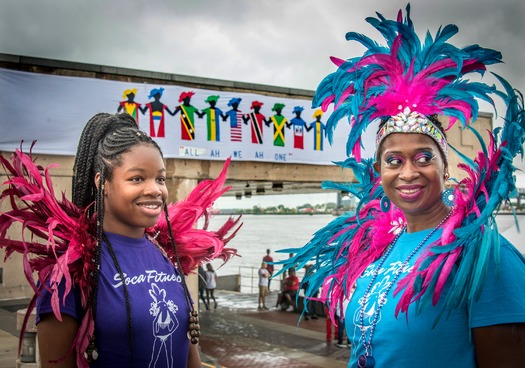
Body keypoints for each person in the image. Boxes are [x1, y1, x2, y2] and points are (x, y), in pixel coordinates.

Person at [276, 5, 525, 368]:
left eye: (424, 158)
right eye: (394, 161)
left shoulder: (486, 256)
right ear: (379, 173)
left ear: (445, 166)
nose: (408, 172)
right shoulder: (378, 249)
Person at [0, 113, 240, 367]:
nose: (155, 189)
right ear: (101, 182)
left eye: (160, 178)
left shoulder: (166, 253)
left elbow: (189, 350)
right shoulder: (69, 269)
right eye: (137, 178)